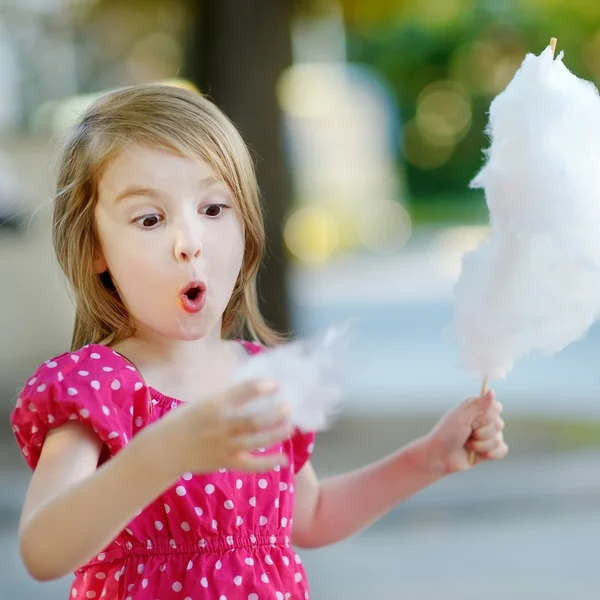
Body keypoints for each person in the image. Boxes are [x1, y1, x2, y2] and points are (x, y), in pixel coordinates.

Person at [9, 84, 508, 600]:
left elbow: (309, 516)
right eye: (150, 219)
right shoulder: (95, 388)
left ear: (245, 226)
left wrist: (429, 457)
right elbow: (43, 550)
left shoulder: (259, 380)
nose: (189, 243)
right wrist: (162, 453)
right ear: (96, 250)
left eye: (213, 208)